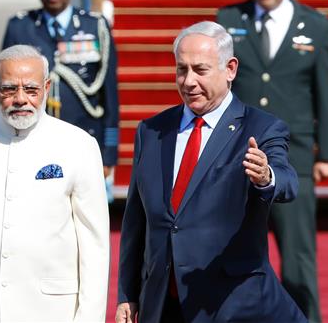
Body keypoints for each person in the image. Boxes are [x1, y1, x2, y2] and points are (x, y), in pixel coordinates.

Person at [115, 21, 307, 323]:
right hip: (164, 303)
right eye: (181, 69)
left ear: (230, 69)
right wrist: (127, 293)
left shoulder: (260, 128)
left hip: (231, 304)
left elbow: (287, 182)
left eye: (200, 70)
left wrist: (266, 176)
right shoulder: (151, 131)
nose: (188, 81)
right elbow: (137, 222)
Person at [0, 45, 110, 322]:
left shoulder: (78, 145)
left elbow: (94, 245)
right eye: (9, 89)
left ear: (47, 88)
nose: (21, 99)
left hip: (49, 312)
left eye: (31, 89)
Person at [216, 0, 328, 321]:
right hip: (238, 154)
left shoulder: (316, 26)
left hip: (293, 158)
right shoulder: (228, 20)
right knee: (230, 252)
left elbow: (325, 92)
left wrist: (327, 152)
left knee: (298, 257)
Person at [1, 0, 119, 185]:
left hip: (84, 140)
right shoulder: (19, 27)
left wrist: (109, 152)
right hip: (31, 142)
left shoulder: (95, 26)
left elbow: (110, 96)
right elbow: (5, 89)